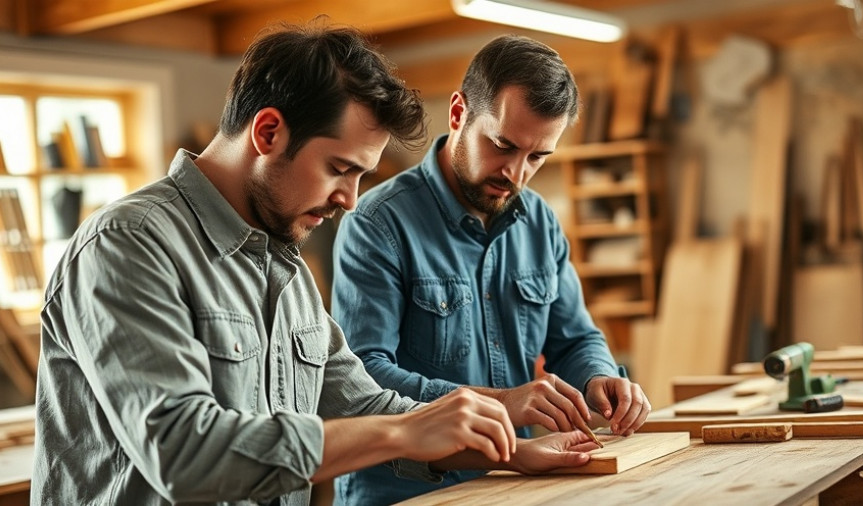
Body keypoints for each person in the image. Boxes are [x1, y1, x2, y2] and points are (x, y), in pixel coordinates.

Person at [31, 24, 602, 506]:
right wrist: (404, 429)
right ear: (269, 131)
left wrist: (509, 451)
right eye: (340, 169)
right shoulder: (128, 244)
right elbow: (182, 450)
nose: (351, 199)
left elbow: (366, 402)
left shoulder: (284, 266)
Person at [331, 34, 653, 505]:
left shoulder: (539, 221)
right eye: (503, 145)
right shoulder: (377, 223)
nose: (516, 174)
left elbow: (575, 339)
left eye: (538, 157)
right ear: (459, 112)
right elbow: (363, 378)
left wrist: (599, 377)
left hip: (514, 483)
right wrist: (500, 402)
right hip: (404, 492)